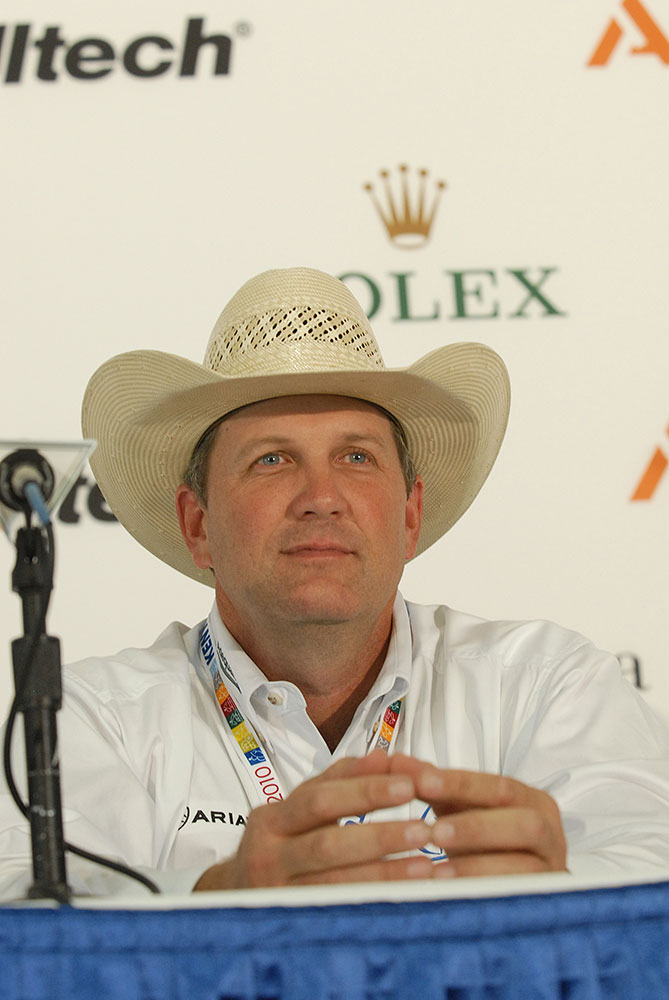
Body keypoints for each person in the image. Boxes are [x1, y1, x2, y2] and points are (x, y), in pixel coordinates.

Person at [1, 266, 668, 898]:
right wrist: (221, 894)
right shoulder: (90, 717)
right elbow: (27, 909)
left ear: (409, 515)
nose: (321, 497)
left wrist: (559, 882)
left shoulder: (542, 682)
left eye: (355, 456)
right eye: (271, 459)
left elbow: (648, 857)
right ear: (198, 523)